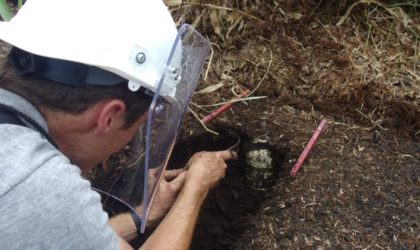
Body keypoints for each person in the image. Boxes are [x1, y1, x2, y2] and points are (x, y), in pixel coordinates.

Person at [0, 0, 237, 249]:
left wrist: (142, 214)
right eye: (138, 126)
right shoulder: (41, 186)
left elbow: (62, 235)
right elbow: (57, 215)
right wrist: (195, 190)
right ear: (110, 116)